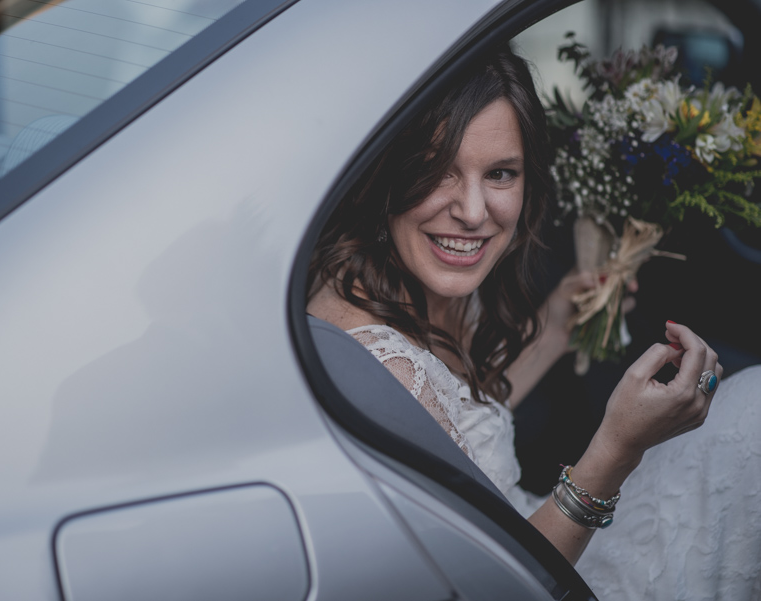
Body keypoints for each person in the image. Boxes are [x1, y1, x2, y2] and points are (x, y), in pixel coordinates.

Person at [306, 44, 761, 600]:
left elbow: (459, 423)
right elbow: (501, 587)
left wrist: (554, 329)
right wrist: (617, 447)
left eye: (499, 173)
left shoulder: (396, 280)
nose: (473, 212)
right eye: (437, 172)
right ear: (385, 173)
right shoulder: (376, 356)